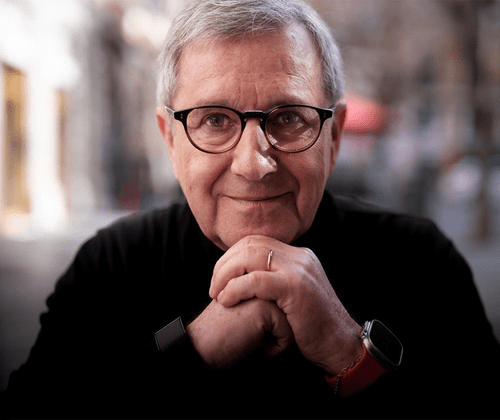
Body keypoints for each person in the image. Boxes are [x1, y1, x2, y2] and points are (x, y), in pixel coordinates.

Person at [1, 0, 499, 418]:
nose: (254, 164)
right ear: (170, 140)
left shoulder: (422, 263)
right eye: (215, 120)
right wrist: (192, 349)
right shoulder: (110, 268)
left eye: (289, 118)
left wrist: (348, 350)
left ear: (334, 137)